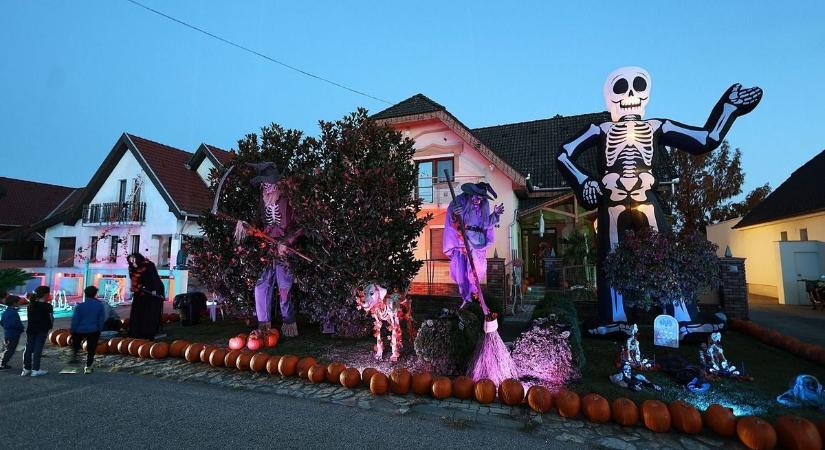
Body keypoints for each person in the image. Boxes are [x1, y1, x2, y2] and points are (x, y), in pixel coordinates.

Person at [443, 182, 504, 309]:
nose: (478, 200)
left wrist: (496, 214)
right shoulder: (460, 201)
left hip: (479, 244)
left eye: (481, 198)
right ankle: (467, 297)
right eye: (476, 197)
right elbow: (452, 218)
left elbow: (486, 224)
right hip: (463, 242)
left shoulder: (482, 207)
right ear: (470, 195)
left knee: (479, 270)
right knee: (462, 273)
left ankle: (473, 295)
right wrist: (455, 212)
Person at [127, 253, 165, 340]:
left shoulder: (149, 265)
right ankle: (136, 331)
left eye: (134, 260)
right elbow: (133, 279)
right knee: (137, 311)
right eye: (131, 261)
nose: (133, 262)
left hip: (152, 292)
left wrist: (154, 290)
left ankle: (149, 331)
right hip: (139, 292)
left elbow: (154, 278)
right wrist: (136, 287)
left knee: (149, 312)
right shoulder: (131, 268)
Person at [70, 286, 106, 373]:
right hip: (93, 330)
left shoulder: (80, 306)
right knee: (91, 349)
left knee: (76, 344)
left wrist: (73, 330)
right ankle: (88, 366)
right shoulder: (99, 306)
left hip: (79, 330)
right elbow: (101, 320)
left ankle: (75, 357)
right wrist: (99, 330)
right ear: (95, 294)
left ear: (85, 294)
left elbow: (75, 320)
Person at [22, 286, 53, 376]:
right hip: (42, 330)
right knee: (37, 349)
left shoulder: (31, 305)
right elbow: (51, 318)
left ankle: (26, 369)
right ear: (46, 294)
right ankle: (35, 369)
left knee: (28, 348)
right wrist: (50, 325)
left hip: (31, 329)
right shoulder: (48, 306)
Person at [1, 293, 25, 370]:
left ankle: (2, 363)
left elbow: (2, 322)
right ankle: (2, 364)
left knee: (8, 349)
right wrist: (21, 328)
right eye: (18, 302)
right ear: (14, 303)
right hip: (13, 334)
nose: (20, 303)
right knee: (10, 350)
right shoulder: (13, 313)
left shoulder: (6, 312)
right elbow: (15, 324)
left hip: (8, 333)